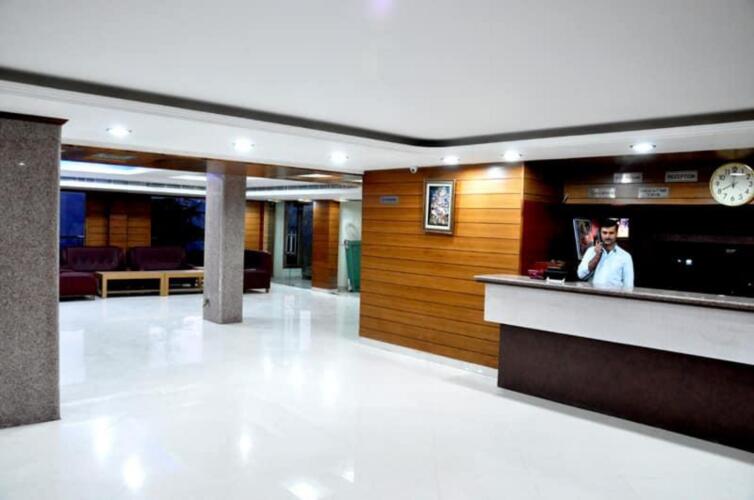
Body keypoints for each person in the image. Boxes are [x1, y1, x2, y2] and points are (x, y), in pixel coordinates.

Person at [577, 218, 634, 289]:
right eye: (604, 233)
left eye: (611, 233)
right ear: (600, 233)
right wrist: (597, 256)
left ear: (616, 233)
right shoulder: (591, 251)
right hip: (594, 295)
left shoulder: (625, 257)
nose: (607, 236)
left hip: (614, 295)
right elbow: (580, 275)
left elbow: (628, 286)